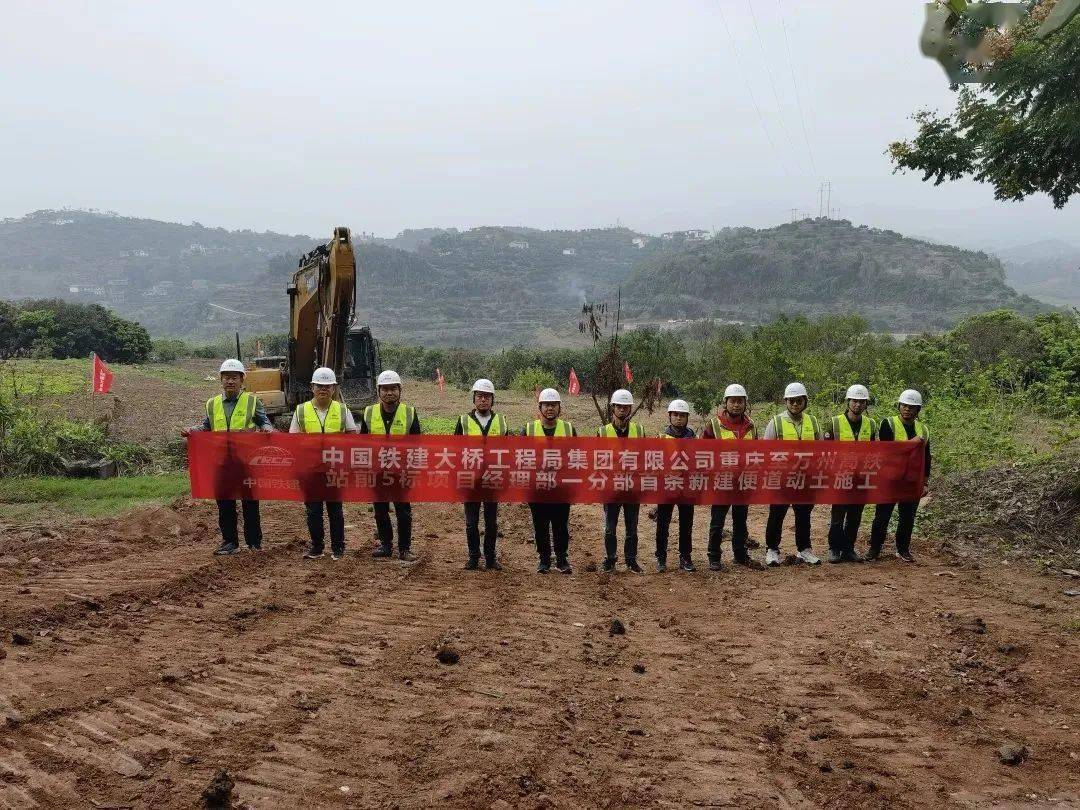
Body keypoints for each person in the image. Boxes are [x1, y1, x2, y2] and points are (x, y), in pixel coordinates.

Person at [183, 359, 274, 555]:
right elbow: (206, 426)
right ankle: (229, 542)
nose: (230, 381)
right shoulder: (212, 403)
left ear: (242, 380)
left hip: (246, 462)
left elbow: (264, 422)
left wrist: (267, 429)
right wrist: (192, 430)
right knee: (225, 503)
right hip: (221, 462)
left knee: (250, 502)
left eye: (234, 377)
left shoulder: (252, 401)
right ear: (221, 380)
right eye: (226, 378)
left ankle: (253, 542)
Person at [291, 367, 360, 561]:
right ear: (312, 387)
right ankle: (317, 547)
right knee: (313, 510)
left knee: (335, 509)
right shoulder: (301, 410)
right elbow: (293, 440)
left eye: (327, 386)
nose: (323, 389)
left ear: (334, 388)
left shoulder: (342, 409)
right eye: (319, 386)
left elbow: (352, 436)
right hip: (310, 470)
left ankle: (338, 548)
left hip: (334, 469)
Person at [360, 370, 422, 563]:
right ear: (379, 391)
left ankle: (405, 548)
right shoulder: (369, 413)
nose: (389, 393)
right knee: (380, 509)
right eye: (385, 389)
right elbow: (362, 444)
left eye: (393, 388)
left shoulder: (410, 413)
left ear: (399, 390)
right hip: (377, 472)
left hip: (400, 472)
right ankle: (386, 544)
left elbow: (417, 444)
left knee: (403, 510)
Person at [762, 382, 823, 567]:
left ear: (805, 401)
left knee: (804, 514)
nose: (795, 404)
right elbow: (766, 450)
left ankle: (804, 549)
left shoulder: (812, 422)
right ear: (786, 402)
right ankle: (772, 549)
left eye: (799, 401)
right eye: (791, 401)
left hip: (805, 478)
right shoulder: (776, 422)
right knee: (777, 514)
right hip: (782, 479)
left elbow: (821, 449)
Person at [868, 389, 931, 563]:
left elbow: (927, 457)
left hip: (911, 481)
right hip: (889, 479)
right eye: (904, 405)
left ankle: (903, 549)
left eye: (911, 407)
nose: (907, 409)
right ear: (899, 406)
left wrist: (925, 481)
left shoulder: (923, 429)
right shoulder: (888, 424)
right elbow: (889, 450)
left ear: (917, 410)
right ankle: (874, 549)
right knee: (882, 516)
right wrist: (912, 443)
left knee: (907, 517)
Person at [454, 378, 509, 571]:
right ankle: (473, 557)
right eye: (479, 396)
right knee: (471, 523)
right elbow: (455, 451)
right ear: (474, 399)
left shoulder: (501, 422)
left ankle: (491, 557)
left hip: (493, 480)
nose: (483, 400)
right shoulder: (463, 421)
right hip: (470, 480)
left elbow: (507, 451)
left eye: (487, 397)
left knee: (491, 522)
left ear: (492, 399)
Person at [702, 383, 758, 570]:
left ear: (745, 403)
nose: (736, 405)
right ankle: (714, 556)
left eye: (740, 401)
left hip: (743, 482)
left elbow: (756, 453)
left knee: (740, 520)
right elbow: (703, 453)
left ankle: (740, 554)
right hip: (722, 482)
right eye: (732, 401)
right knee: (718, 521)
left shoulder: (751, 426)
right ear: (725, 403)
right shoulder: (714, 425)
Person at [522, 388, 576, 574]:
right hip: (537, 488)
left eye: (554, 405)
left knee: (561, 525)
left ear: (559, 408)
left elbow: (576, 458)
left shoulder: (569, 429)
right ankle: (544, 559)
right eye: (547, 405)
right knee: (540, 525)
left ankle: (562, 559)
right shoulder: (528, 429)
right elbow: (520, 459)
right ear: (540, 407)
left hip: (561, 488)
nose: (550, 408)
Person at [824, 384, 876, 564]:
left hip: (861, 477)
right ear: (848, 402)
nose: (858, 405)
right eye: (854, 401)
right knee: (838, 516)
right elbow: (826, 451)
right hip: (840, 476)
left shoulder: (871, 424)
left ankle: (848, 549)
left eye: (862, 402)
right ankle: (834, 549)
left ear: (866, 404)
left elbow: (873, 451)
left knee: (855, 516)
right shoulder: (834, 422)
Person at [596, 389, 646, 573]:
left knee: (632, 527)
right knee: (610, 527)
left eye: (626, 407)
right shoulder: (603, 432)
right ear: (613, 408)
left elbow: (645, 457)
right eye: (619, 406)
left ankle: (631, 560)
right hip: (611, 488)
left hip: (632, 488)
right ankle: (610, 559)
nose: (622, 410)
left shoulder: (639, 431)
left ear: (630, 408)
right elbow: (597, 460)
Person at [655, 398, 695, 573]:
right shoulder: (661, 438)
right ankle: (661, 557)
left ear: (687, 418)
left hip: (687, 487)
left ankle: (685, 557)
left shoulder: (693, 437)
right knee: (663, 523)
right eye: (676, 415)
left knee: (687, 524)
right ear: (669, 416)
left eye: (682, 415)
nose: (679, 418)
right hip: (667, 486)